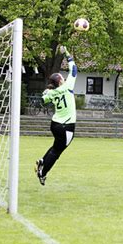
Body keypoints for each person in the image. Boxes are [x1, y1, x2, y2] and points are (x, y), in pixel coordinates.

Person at [34, 46, 77, 186]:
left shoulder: (50, 93)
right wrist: (67, 55)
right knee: (57, 152)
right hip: (67, 126)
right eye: (62, 78)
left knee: (55, 147)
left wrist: (46, 93)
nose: (64, 79)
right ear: (60, 82)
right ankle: (43, 173)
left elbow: (42, 101)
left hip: (55, 124)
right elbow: (74, 69)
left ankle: (42, 161)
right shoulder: (67, 86)